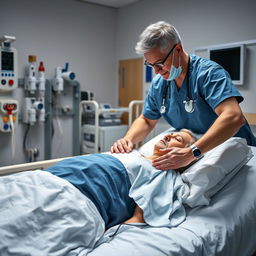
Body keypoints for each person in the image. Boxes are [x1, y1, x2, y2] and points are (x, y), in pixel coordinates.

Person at [111, 21, 256, 171]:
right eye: (150, 65)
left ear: (178, 49)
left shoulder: (208, 74)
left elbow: (233, 117)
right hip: (195, 154)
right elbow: (147, 120)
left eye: (160, 63)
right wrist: (128, 139)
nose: (156, 71)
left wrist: (193, 151)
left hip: (237, 154)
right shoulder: (159, 84)